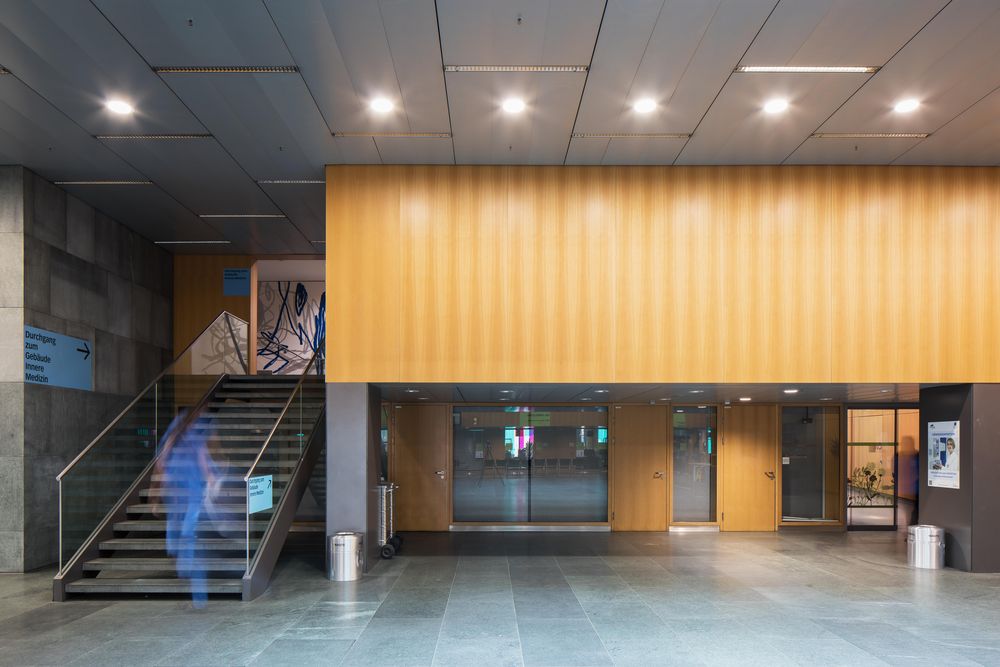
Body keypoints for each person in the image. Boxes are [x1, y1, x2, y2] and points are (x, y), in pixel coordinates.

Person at [158, 411, 217, 609]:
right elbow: (163, 464)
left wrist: (209, 476)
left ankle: (185, 564)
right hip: (183, 492)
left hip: (189, 493)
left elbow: (201, 459)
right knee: (182, 529)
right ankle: (183, 561)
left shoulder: (182, 441)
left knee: (186, 530)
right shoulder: (182, 441)